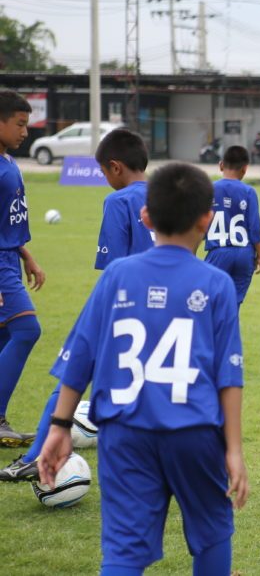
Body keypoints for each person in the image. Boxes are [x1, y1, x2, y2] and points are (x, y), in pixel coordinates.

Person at [37, 162, 248, 576]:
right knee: (212, 533)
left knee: (123, 553)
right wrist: (235, 449)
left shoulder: (117, 275)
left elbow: (80, 356)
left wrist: (60, 425)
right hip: (195, 431)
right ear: (207, 220)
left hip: (125, 432)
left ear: (146, 217)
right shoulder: (216, 284)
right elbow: (229, 376)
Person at [0, 127, 153, 481]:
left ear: (114, 167)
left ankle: (35, 456)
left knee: (71, 375)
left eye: (102, 172)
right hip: (165, 306)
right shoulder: (165, 195)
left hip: (122, 305)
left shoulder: (119, 201)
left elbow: (114, 267)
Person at [0, 90, 45, 448]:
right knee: (28, 330)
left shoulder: (10, 164)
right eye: (19, 124)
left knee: (6, 338)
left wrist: (26, 255)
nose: (25, 132)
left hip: (10, 259)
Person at [205, 146, 260, 306]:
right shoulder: (249, 192)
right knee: (233, 305)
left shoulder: (208, 189)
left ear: (221, 165)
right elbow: (254, 228)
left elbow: (200, 225)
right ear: (245, 169)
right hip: (244, 254)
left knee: (210, 303)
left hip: (218, 252)